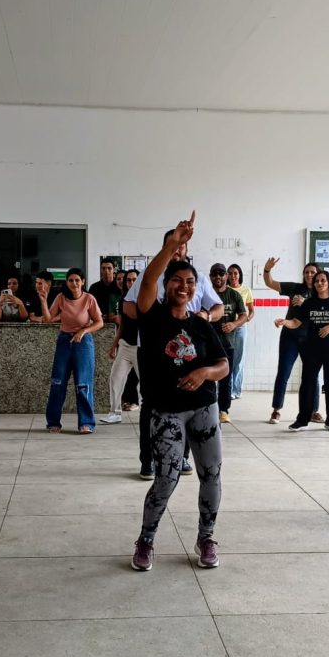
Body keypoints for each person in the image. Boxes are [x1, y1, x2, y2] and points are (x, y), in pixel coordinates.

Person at [131, 212, 229, 572]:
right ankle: (146, 540)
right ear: (166, 285)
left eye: (190, 281)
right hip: (166, 412)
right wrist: (173, 243)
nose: (183, 286)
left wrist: (205, 373)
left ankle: (207, 537)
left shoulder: (201, 325)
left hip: (203, 409)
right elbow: (148, 281)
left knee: (211, 475)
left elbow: (223, 365)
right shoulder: (152, 317)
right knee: (166, 479)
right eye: (176, 280)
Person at [124, 229, 223, 479]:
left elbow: (218, 307)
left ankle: (182, 456)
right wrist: (150, 320)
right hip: (153, 350)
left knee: (190, 401)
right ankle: (148, 460)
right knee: (152, 403)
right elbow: (130, 303)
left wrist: (206, 317)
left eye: (182, 245)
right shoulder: (153, 275)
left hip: (190, 350)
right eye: (174, 245)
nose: (184, 286)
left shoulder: (199, 277)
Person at [274, 269, 329, 432]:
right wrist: (284, 322)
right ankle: (302, 420)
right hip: (312, 346)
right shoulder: (309, 303)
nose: (319, 283)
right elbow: (296, 322)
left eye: (323, 280)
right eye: (317, 281)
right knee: (308, 382)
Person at [263, 258, 322, 424]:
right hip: (290, 337)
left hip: (310, 339)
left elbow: (322, 313)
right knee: (283, 372)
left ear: (319, 275)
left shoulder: (322, 293)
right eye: (306, 272)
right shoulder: (295, 288)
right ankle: (276, 410)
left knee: (312, 375)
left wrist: (306, 303)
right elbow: (270, 283)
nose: (309, 275)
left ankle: (314, 411)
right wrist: (267, 270)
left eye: (313, 272)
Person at [45, 267, 104, 433]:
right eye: (70, 280)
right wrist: (43, 300)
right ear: (66, 282)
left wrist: (83, 331)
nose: (74, 283)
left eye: (77, 280)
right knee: (57, 383)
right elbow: (48, 318)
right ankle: (53, 422)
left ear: (83, 281)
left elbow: (99, 322)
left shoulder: (89, 299)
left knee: (83, 384)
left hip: (83, 343)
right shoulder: (61, 298)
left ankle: (86, 423)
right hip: (64, 342)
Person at [209, 264, 247, 423]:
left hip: (227, 344)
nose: (218, 277)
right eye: (214, 274)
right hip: (208, 345)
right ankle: (208, 408)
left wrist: (234, 324)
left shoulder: (234, 295)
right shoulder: (205, 294)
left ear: (226, 276)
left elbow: (244, 315)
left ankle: (223, 410)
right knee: (207, 377)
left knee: (226, 378)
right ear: (210, 277)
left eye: (221, 273)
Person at [101, 269, 139, 424]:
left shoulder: (146, 298)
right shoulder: (124, 299)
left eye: (134, 279)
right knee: (115, 378)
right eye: (128, 280)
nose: (131, 283)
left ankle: (150, 413)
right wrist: (114, 345)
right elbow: (122, 325)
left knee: (146, 383)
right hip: (125, 345)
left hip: (141, 347)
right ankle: (115, 413)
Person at [226, 263, 254, 400]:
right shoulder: (224, 290)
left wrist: (248, 318)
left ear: (239, 275)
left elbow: (251, 310)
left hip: (241, 328)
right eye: (230, 273)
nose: (233, 276)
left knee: (239, 359)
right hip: (227, 328)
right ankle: (226, 389)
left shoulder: (246, 290)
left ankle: (236, 390)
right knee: (227, 359)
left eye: (235, 273)